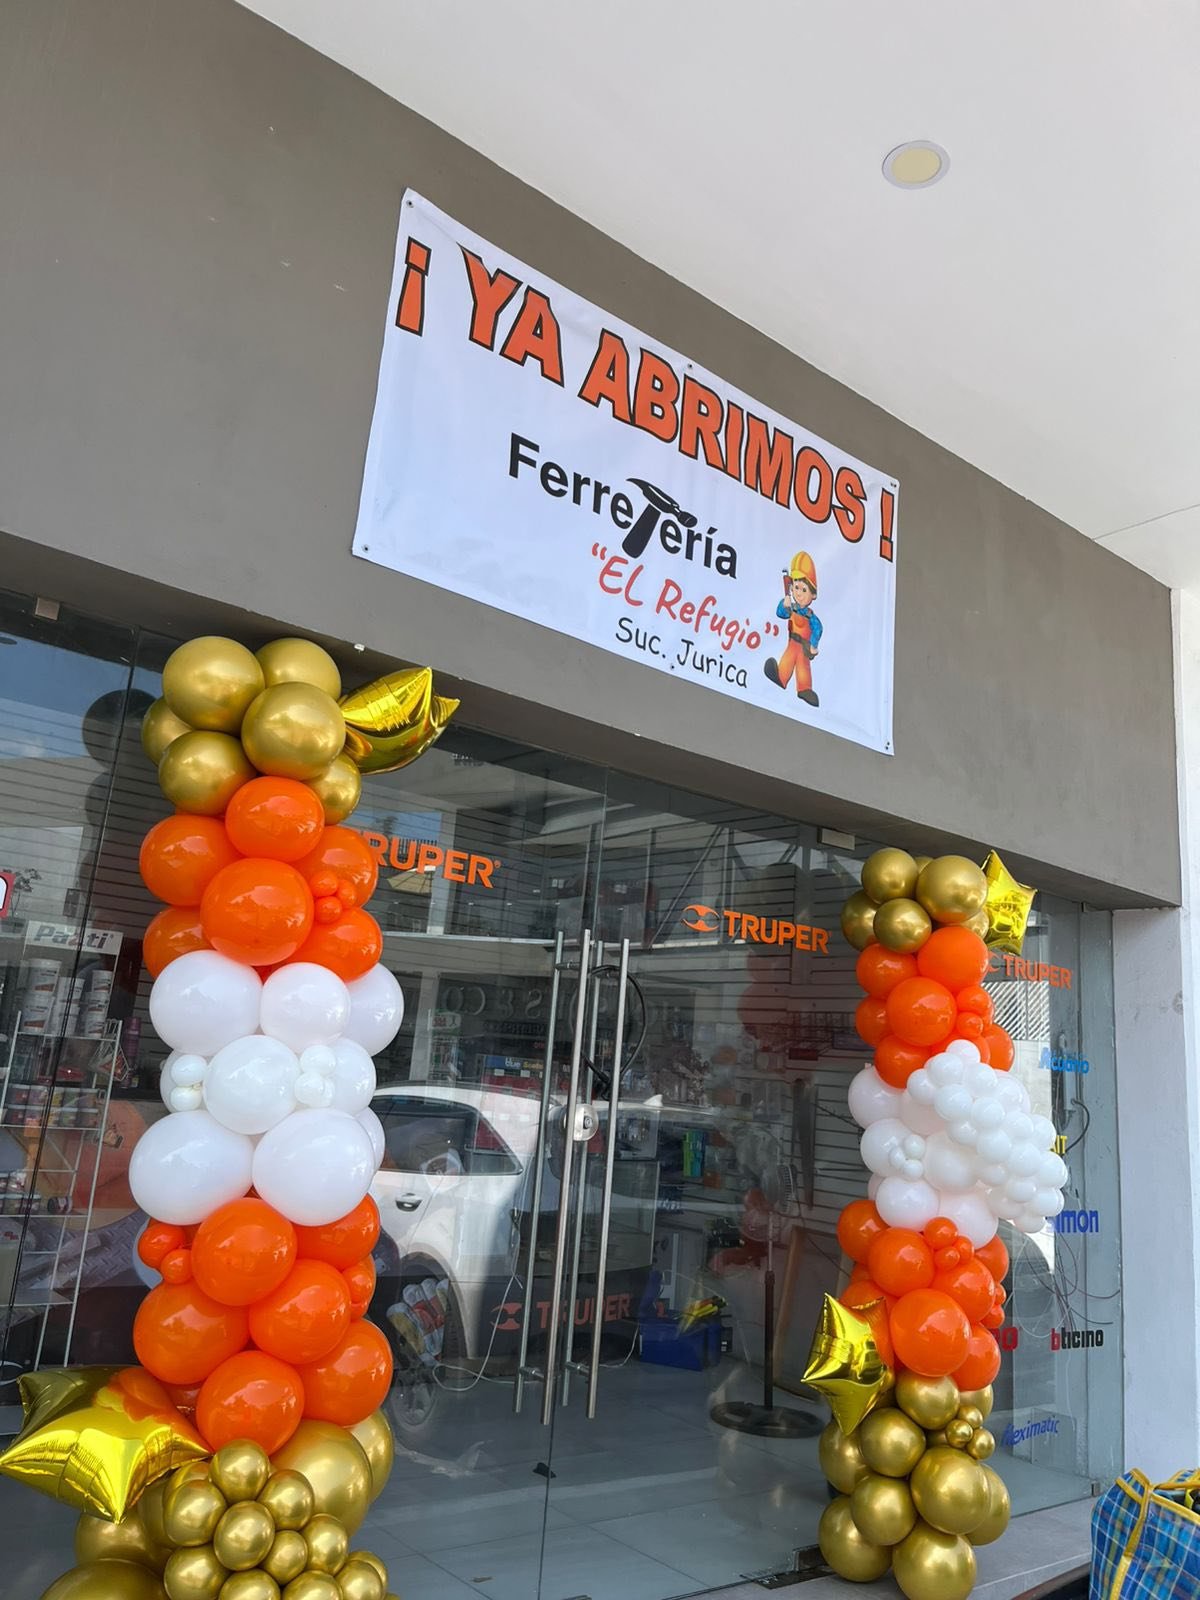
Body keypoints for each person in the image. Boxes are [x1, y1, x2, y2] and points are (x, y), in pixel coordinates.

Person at [764, 551, 822, 706]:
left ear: (813, 594)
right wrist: (784, 605)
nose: (799, 593)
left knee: (803, 667)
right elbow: (781, 613)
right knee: (787, 660)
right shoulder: (792, 607)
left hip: (803, 646)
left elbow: (818, 629)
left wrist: (813, 645)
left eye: (804, 590)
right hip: (792, 643)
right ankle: (781, 678)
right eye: (796, 588)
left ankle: (805, 689)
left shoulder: (810, 615)